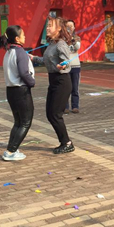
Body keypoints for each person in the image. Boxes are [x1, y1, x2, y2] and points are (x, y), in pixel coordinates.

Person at [30, 17, 75, 154]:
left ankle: (67, 143)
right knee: (50, 114)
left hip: (62, 81)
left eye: (50, 25)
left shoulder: (61, 44)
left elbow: (67, 63)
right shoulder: (52, 44)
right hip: (53, 81)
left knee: (55, 114)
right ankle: (64, 141)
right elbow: (47, 60)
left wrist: (62, 66)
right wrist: (33, 58)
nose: (48, 28)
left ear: (59, 29)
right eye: (47, 25)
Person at [0, 25, 35, 161]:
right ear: (17, 39)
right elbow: (24, 73)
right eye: (23, 35)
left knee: (18, 122)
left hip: (11, 91)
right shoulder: (20, 52)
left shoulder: (9, 52)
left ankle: (12, 148)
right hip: (21, 91)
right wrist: (32, 82)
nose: (25, 37)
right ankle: (10, 151)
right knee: (25, 122)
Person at [64, 19, 81, 114]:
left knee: (75, 88)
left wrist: (72, 40)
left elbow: (78, 47)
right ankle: (65, 106)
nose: (69, 28)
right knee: (66, 87)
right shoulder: (62, 39)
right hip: (66, 66)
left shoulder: (77, 38)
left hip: (75, 66)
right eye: (68, 26)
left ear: (74, 28)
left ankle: (75, 106)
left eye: (71, 26)